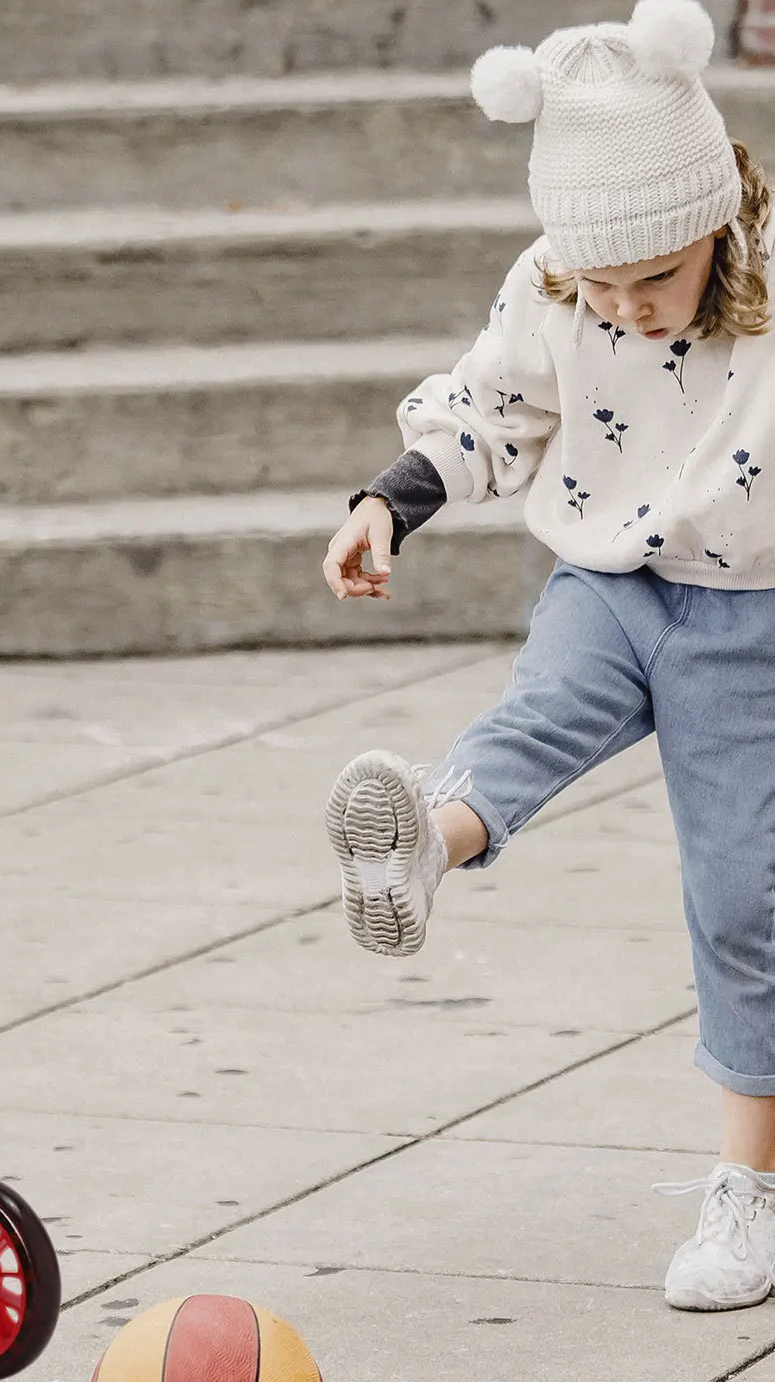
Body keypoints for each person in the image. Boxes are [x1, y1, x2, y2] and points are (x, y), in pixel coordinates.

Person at [321, 0, 775, 1311]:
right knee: (533, 719)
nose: (624, 311)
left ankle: (748, 1195)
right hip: (613, 583)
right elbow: (489, 403)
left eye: (654, 282)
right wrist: (386, 501)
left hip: (750, 612)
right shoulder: (560, 285)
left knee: (743, 905)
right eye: (602, 288)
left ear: (715, 225)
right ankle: (418, 844)